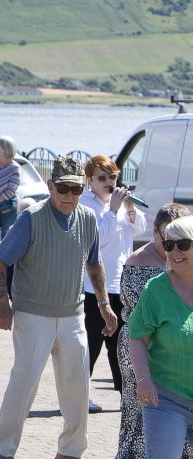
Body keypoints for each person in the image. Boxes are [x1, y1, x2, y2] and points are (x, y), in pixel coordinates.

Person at [0, 156, 117, 459]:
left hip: (72, 315)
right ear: (50, 187)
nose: (69, 195)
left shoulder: (87, 219)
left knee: (77, 385)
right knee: (25, 379)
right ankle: (0, 449)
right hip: (33, 314)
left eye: (76, 188)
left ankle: (70, 450)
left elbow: (95, 265)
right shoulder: (31, 219)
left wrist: (104, 305)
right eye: (63, 188)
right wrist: (3, 303)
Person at [100, 204, 193, 459]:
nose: (173, 247)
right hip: (142, 356)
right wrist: (146, 376)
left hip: (177, 361)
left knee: (175, 439)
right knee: (141, 435)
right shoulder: (139, 265)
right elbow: (144, 324)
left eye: (182, 241)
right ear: (156, 232)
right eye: (168, 240)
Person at [80, 155, 145, 396]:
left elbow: (139, 228)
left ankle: (125, 395)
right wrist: (113, 210)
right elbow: (96, 239)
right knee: (91, 345)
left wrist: (128, 208)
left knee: (123, 345)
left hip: (121, 284)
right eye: (102, 178)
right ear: (90, 180)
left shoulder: (118, 203)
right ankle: (80, 396)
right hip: (95, 288)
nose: (109, 182)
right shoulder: (86, 205)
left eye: (113, 176)